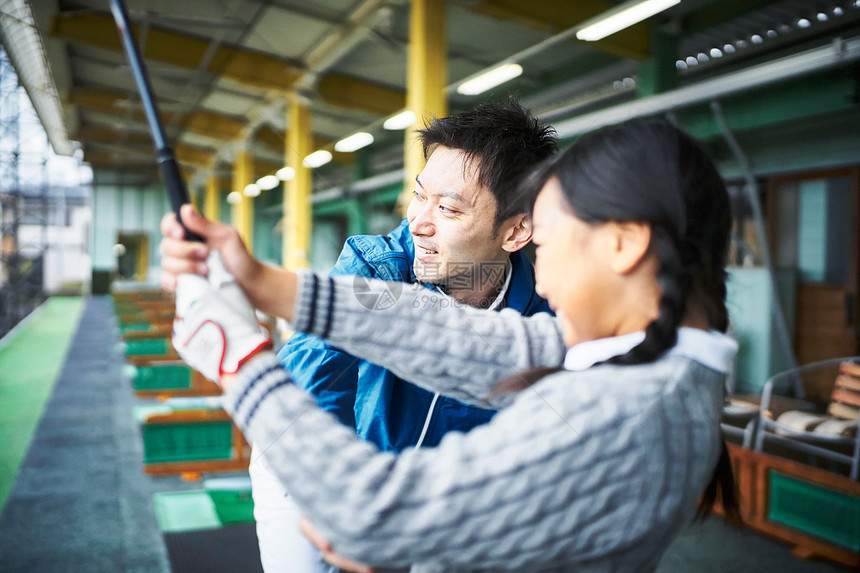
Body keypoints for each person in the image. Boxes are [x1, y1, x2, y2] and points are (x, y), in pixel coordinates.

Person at [163, 119, 740, 572]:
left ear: (624, 245)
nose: (539, 275)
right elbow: (472, 338)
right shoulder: (657, 363)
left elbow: (368, 514)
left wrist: (237, 359)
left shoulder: (614, 413)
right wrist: (262, 282)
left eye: (553, 241)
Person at [251, 98, 556, 572]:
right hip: (317, 457)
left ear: (516, 231)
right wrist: (345, 507)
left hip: (437, 502)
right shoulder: (377, 267)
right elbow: (310, 389)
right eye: (419, 195)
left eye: (448, 209)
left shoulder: (544, 316)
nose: (419, 222)